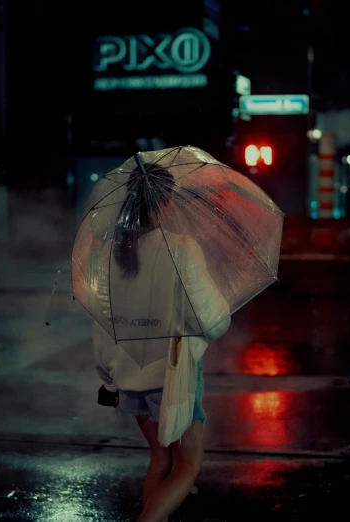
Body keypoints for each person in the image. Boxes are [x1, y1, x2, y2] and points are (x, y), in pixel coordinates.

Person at [91, 164, 230, 522]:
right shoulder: (180, 249)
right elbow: (214, 323)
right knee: (188, 464)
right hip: (173, 376)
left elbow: (104, 324)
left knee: (160, 457)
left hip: (128, 374)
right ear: (165, 201)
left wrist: (108, 378)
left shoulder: (111, 251)